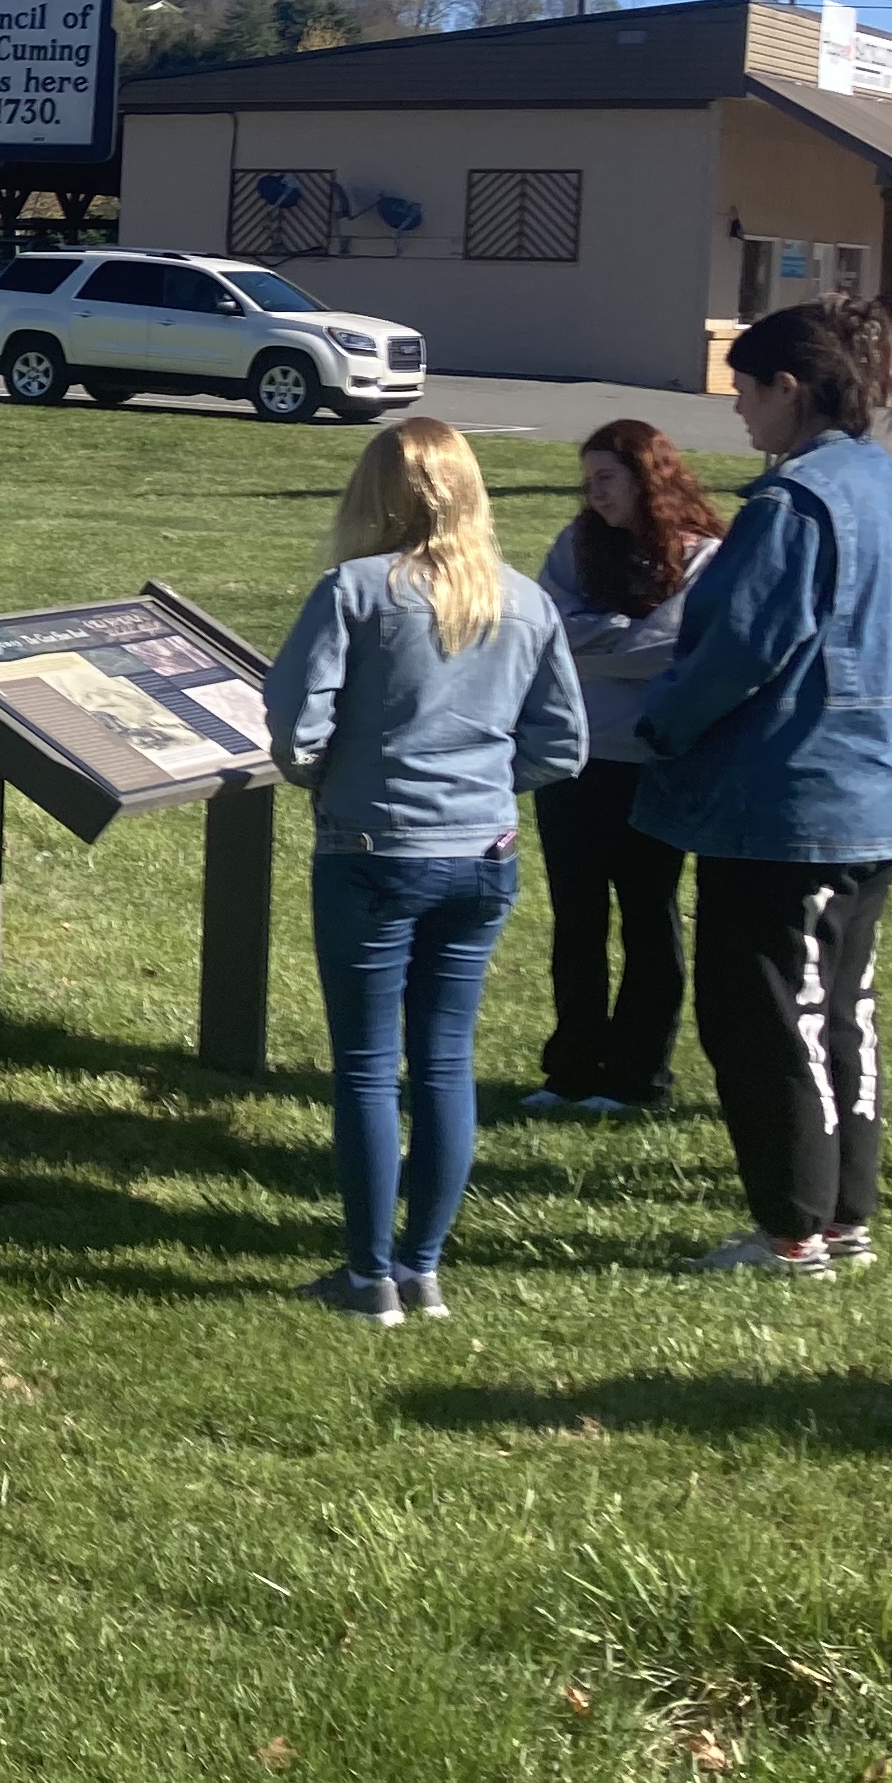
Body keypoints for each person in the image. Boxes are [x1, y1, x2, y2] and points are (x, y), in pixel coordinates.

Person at [635, 298, 892, 1280]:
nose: (738, 411)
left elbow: (746, 647)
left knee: (766, 1019)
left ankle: (792, 1231)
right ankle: (840, 1218)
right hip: (879, 790)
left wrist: (661, 722)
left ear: (792, 387)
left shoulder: (794, 504)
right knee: (838, 1010)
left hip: (793, 802)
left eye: (745, 390)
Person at [263, 418, 588, 1326]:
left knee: (369, 1069)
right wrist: (486, 783)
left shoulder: (356, 592)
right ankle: (425, 1268)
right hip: (483, 855)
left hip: (373, 850)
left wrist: (330, 776)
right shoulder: (523, 601)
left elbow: (294, 728)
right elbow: (563, 745)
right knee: (445, 1063)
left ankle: (369, 1278)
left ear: (377, 495)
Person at [523, 420, 724, 1117]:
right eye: (588, 481)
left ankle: (638, 1079)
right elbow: (546, 629)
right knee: (576, 920)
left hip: (653, 764)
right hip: (572, 761)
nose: (594, 494)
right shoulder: (576, 547)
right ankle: (570, 1070)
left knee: (648, 917)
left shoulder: (702, 556)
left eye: (606, 478)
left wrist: (595, 637)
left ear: (648, 477)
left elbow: (673, 647)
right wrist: (618, 637)